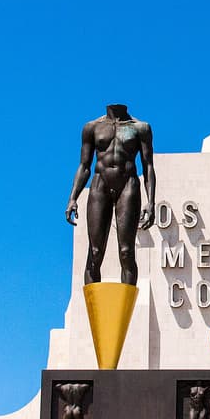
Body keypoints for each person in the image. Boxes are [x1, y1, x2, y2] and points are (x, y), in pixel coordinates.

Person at [65, 104, 156, 285]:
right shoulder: (92, 127)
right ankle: (93, 311)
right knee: (95, 252)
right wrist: (72, 198)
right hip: (100, 185)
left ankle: (126, 310)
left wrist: (151, 202)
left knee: (126, 252)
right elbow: (84, 166)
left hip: (128, 185)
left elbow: (148, 166)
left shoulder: (141, 128)